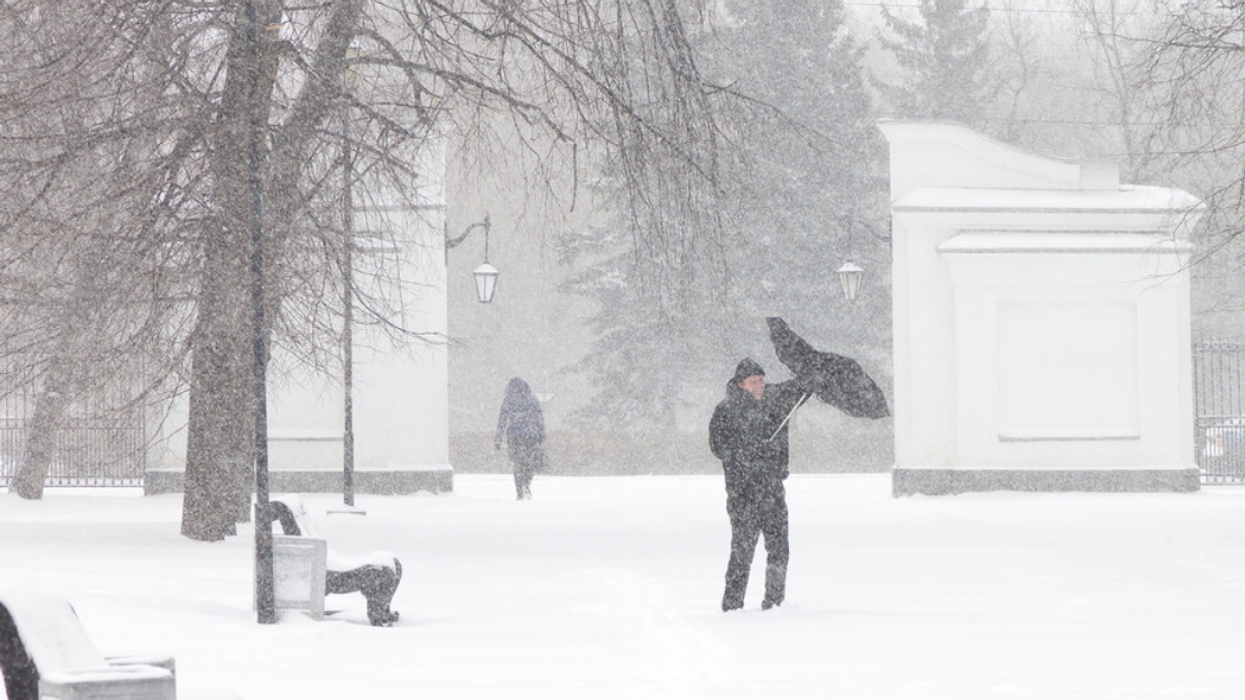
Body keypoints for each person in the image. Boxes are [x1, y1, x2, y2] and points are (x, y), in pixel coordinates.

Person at [708, 358, 810, 612]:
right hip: (743, 493)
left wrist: (812, 382)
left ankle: (774, 602)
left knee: (779, 548)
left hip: (772, 490)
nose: (759, 384)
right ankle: (732, 605)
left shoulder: (775, 403)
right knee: (742, 552)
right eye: (753, 381)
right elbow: (718, 447)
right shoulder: (726, 410)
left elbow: (797, 392)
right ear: (740, 384)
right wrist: (746, 453)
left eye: (761, 380)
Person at [494, 377, 546, 500]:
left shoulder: (509, 400)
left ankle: (519, 491)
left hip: (515, 436)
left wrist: (498, 438)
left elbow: (502, 420)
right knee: (529, 462)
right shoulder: (532, 399)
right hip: (531, 436)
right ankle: (527, 484)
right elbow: (539, 418)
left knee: (518, 462)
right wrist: (541, 435)